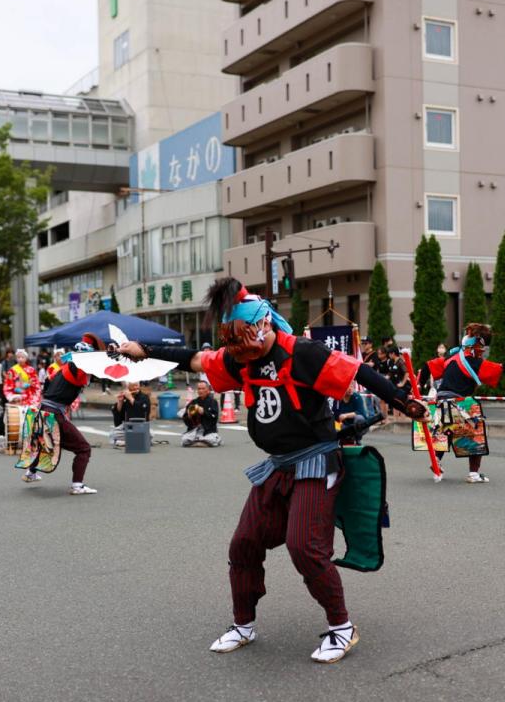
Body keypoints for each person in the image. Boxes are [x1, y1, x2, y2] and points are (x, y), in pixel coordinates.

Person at [118, 278, 427, 664]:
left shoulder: (303, 352)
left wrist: (403, 400)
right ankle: (243, 624)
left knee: (305, 548)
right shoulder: (236, 356)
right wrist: (143, 350)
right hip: (277, 466)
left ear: (264, 325)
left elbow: (357, 373)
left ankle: (341, 627)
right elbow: (196, 358)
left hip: (316, 459)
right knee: (243, 545)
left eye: (246, 345)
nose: (241, 356)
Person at [417, 323, 505, 483]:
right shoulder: (475, 363)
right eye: (482, 349)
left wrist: (419, 384)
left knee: (444, 433)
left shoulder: (451, 357)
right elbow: (501, 368)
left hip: (442, 401)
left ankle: (437, 461)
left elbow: (428, 365)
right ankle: (474, 474)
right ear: (477, 345)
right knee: (476, 438)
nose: (483, 352)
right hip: (462, 402)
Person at [22, 335, 108, 494]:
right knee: (84, 449)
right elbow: (95, 373)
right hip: (55, 413)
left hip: (43, 410)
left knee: (49, 443)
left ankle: (31, 472)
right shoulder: (78, 368)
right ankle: (77, 485)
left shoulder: (64, 368)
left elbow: (47, 385)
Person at [110, 383, 151, 447]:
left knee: (150, 434)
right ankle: (135, 440)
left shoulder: (144, 397)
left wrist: (131, 398)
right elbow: (118, 414)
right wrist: (120, 401)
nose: (135, 388)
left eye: (137, 385)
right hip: (127, 427)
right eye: (133, 386)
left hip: (140, 426)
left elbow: (141, 410)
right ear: (128, 387)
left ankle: (129, 441)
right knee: (113, 434)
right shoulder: (125, 398)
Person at [181, 381, 221, 447]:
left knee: (210, 440)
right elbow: (186, 419)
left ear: (208, 390)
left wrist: (203, 412)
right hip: (195, 429)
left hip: (208, 430)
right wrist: (189, 416)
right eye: (199, 389)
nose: (201, 391)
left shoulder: (213, 401)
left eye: (203, 388)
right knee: (185, 440)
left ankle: (215, 438)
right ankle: (199, 440)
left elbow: (214, 418)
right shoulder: (194, 402)